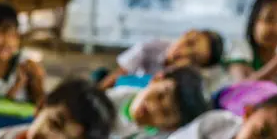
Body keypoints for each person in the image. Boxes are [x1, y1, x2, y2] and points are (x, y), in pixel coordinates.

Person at [106, 65, 209, 139]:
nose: (153, 108)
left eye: (165, 113)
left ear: (171, 127)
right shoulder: (111, 98)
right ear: (156, 79)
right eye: (160, 96)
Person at [96, 29, 225, 90]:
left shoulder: (185, 80)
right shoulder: (150, 46)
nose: (183, 53)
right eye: (189, 43)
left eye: (193, 58)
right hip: (126, 85)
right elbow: (117, 75)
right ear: (188, 33)